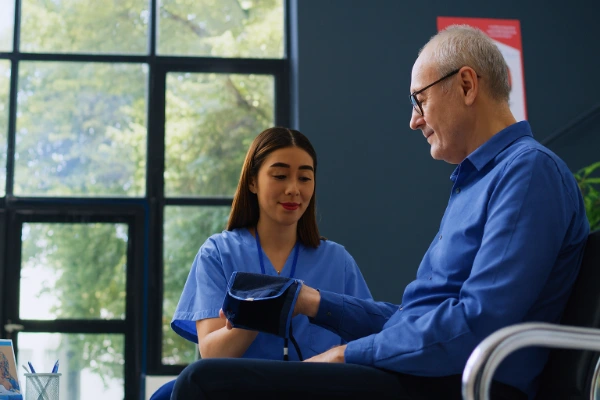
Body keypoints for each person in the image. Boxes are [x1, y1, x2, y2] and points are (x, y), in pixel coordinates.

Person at [171, 25, 590, 400]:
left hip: (460, 381)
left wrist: (346, 354)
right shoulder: (476, 182)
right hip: (433, 373)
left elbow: (477, 323)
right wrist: (310, 301)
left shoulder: (527, 171)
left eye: (419, 100)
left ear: (465, 85)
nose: (414, 120)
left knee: (201, 385)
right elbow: (414, 321)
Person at [150, 127, 372, 400]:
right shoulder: (218, 253)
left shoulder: (339, 261)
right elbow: (212, 356)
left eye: (305, 177)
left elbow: (368, 349)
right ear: (252, 182)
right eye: (279, 176)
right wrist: (264, 310)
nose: (293, 189)